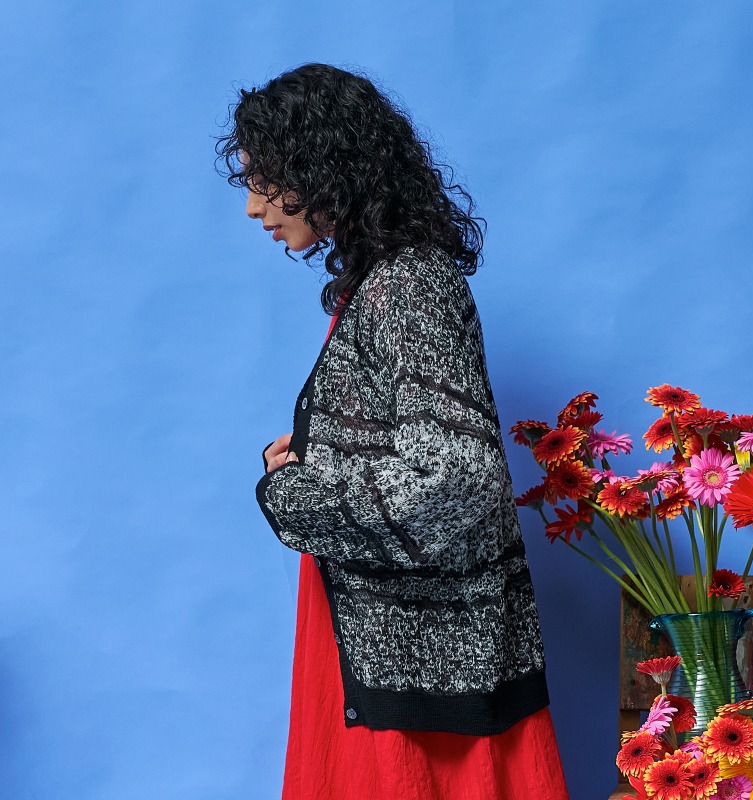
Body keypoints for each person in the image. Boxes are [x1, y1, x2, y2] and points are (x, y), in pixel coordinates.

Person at [217, 63, 569, 800]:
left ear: (325, 166)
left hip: (420, 662)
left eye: (266, 181)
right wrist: (313, 460)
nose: (252, 207)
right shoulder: (383, 283)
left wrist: (294, 495)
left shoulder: (410, 284)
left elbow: (457, 479)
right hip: (391, 644)